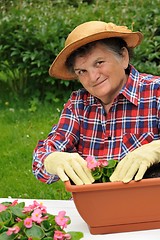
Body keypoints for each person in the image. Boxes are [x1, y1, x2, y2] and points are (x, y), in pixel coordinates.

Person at [32, 21, 160, 185]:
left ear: (123, 57)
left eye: (99, 63)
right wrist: (51, 159)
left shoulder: (156, 92)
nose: (92, 78)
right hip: (91, 207)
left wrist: (156, 149)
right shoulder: (78, 104)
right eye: (82, 71)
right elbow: (42, 159)